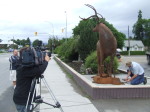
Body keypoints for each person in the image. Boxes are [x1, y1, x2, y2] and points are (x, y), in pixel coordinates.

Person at [13, 47, 50, 112]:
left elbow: (37, 70)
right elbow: (39, 70)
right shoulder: (24, 69)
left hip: (23, 98)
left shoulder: (21, 65)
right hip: (23, 101)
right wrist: (46, 61)